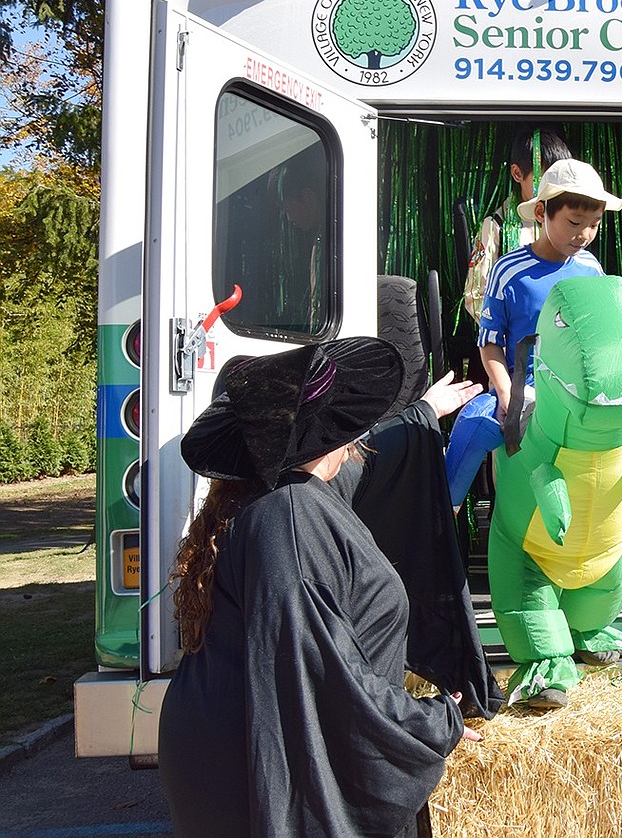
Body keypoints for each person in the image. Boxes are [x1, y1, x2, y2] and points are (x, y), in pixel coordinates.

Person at [159, 338, 484, 838]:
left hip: (223, 755)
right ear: (318, 436)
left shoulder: (274, 498)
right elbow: (322, 671)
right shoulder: (292, 519)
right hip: (252, 779)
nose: (355, 437)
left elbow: (370, 462)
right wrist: (433, 721)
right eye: (342, 421)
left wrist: (423, 413)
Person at [444, 158, 622, 534]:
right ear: (542, 212)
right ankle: (443, 506)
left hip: (582, 386)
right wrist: (507, 393)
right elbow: (490, 344)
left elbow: (616, 303)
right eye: (575, 223)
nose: (585, 234)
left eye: (593, 224)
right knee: (472, 423)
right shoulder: (509, 270)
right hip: (527, 387)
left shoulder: (589, 266)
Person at [462, 126, 572, 325]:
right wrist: (501, 338)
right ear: (517, 173)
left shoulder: (568, 224)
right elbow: (475, 295)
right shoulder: (496, 227)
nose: (553, 189)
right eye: (546, 178)